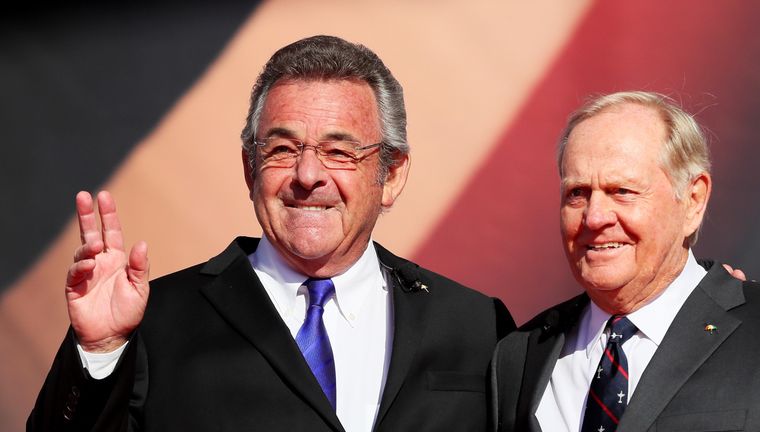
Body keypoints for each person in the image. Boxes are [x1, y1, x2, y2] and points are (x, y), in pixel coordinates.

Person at [28, 35, 514, 432]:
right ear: (250, 168)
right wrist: (97, 352)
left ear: (391, 175)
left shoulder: (475, 325)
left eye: (338, 151)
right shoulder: (155, 322)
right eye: (282, 148)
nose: (307, 175)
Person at [491, 90, 760, 432]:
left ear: (693, 200)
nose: (594, 218)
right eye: (577, 193)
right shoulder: (519, 355)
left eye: (622, 191)